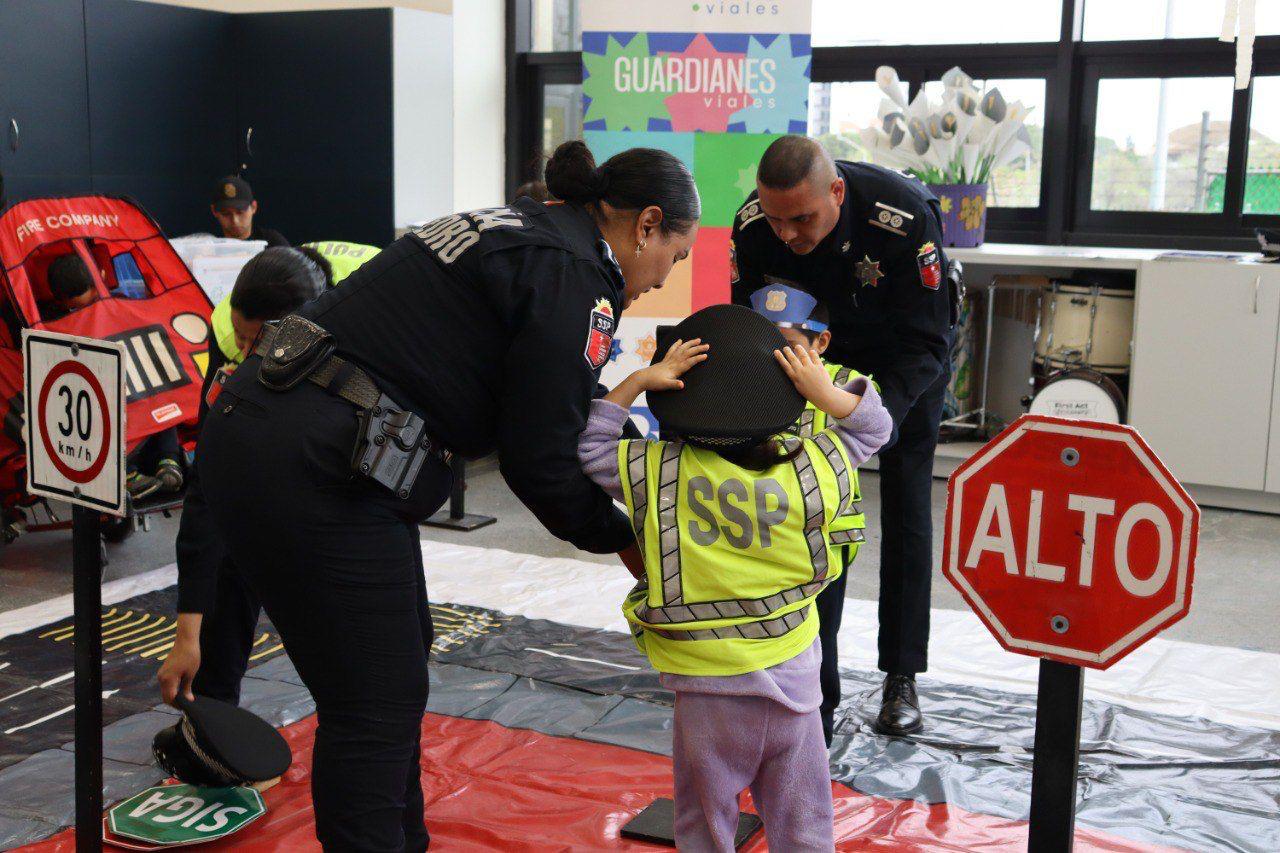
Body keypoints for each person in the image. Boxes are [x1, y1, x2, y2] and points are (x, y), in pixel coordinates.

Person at [195, 140, 700, 851]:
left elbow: (551, 405)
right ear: (646, 224)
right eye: (674, 258)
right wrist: (627, 539)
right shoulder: (574, 273)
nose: (661, 280)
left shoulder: (523, 227)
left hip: (281, 438)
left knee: (394, 673)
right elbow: (542, 462)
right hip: (317, 464)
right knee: (371, 704)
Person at [577, 305, 891, 850]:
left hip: (707, 694)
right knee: (804, 820)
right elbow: (874, 428)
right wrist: (824, 391)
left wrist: (636, 379)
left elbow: (591, 445)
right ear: (787, 404)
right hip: (793, 685)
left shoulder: (658, 471)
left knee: (704, 820)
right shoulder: (821, 466)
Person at [730, 135, 959, 737]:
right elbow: (749, 328)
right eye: (776, 219)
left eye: (801, 219)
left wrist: (869, 420)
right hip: (810, 363)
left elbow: (929, 342)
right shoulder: (755, 227)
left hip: (903, 360)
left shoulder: (902, 217)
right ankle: (814, 683)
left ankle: (901, 675)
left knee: (907, 504)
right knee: (814, 513)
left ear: (836, 192)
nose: (786, 235)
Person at [159, 248, 331, 708]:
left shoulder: (356, 341)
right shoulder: (230, 340)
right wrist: (187, 633)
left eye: (261, 345)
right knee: (237, 536)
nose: (250, 354)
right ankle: (212, 701)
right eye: (243, 339)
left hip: (335, 490)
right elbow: (207, 495)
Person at [749, 282, 873, 745]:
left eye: (791, 348)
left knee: (819, 637)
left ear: (821, 342)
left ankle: (818, 728)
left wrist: (820, 390)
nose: (777, 359)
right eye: (764, 346)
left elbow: (872, 421)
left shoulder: (845, 382)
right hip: (761, 539)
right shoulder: (742, 380)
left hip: (826, 549)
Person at [44, 253, 184, 498]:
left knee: (161, 383)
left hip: (137, 387)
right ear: (60, 302)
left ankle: (168, 461)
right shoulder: (52, 322)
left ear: (102, 280)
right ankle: (128, 474)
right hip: (99, 400)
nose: (88, 314)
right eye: (76, 309)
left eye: (92, 304)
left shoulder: (123, 304)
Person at [210, 175, 289, 247]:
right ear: (214, 211)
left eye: (240, 212)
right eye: (226, 214)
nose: (235, 220)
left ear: (254, 207)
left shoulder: (273, 242)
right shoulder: (209, 245)